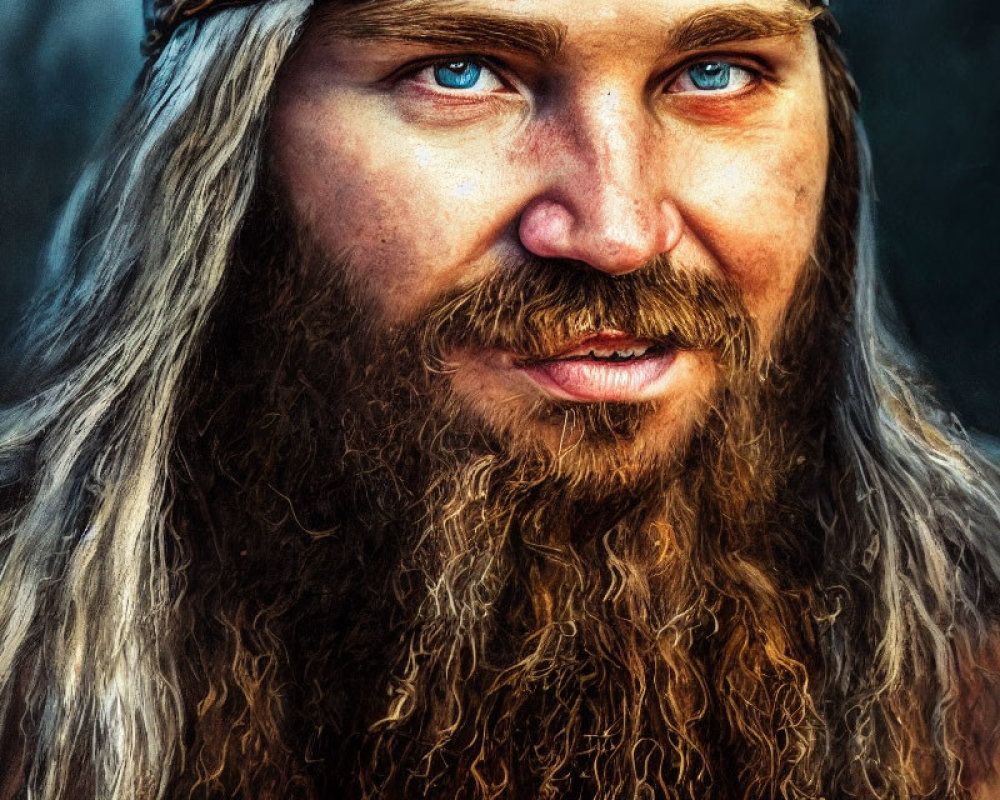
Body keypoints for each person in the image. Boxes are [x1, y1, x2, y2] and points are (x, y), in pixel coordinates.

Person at [1, 0, 999, 797]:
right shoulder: (21, 692)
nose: (616, 229)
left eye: (714, 73)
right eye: (460, 72)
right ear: (225, 154)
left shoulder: (975, 683)